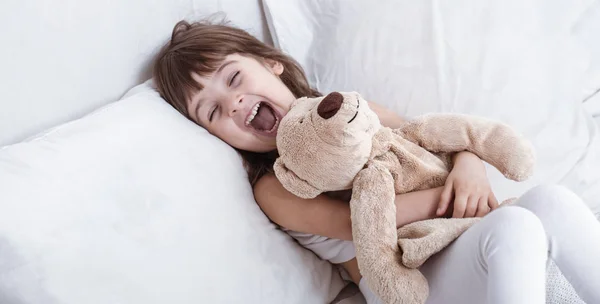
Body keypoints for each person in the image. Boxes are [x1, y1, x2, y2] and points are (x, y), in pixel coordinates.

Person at [152, 19, 600, 304]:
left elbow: (428, 136)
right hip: (408, 281)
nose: (233, 103)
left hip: (454, 240)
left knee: (551, 201)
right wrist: (451, 197)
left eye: (233, 78)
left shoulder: (349, 110)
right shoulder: (271, 185)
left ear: (272, 65)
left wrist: (470, 165)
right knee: (513, 226)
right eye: (211, 112)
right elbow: (354, 222)